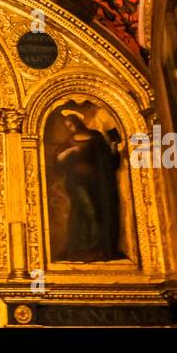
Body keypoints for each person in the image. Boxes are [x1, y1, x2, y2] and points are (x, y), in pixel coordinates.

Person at [53, 109, 122, 260]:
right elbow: (58, 159)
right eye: (68, 126)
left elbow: (106, 158)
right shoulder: (70, 140)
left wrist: (114, 147)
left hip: (96, 182)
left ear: (77, 122)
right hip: (77, 182)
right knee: (86, 210)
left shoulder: (95, 137)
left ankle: (98, 248)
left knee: (97, 210)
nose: (70, 128)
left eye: (71, 124)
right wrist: (70, 151)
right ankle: (83, 247)